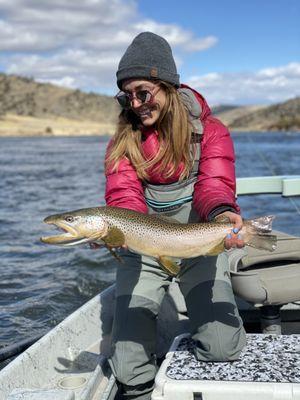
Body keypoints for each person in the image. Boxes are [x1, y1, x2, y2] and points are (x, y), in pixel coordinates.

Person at [104, 31, 246, 400]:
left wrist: (222, 214)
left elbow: (213, 186)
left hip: (197, 242)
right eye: (126, 95)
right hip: (144, 247)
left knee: (221, 349)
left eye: (143, 92)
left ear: (167, 86)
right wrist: (116, 232)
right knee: (128, 364)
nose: (135, 103)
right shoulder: (124, 141)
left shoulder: (210, 132)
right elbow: (124, 197)